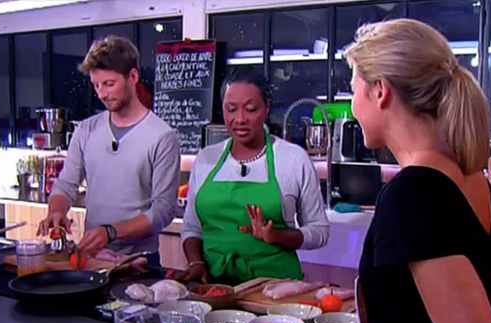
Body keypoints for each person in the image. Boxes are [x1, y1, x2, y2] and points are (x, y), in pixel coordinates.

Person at [344, 19, 491, 323]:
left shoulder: (411, 193)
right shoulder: (474, 182)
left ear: (380, 91)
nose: (353, 105)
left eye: (354, 89)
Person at [176, 68, 329, 285]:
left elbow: (320, 231)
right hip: (214, 286)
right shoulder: (206, 158)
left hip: (275, 289)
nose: (240, 119)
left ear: (266, 108)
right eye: (231, 109)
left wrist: (276, 236)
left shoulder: (293, 159)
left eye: (250, 109)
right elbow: (192, 228)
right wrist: (195, 263)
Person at [37, 35, 180, 268]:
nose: (102, 94)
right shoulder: (86, 130)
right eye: (96, 85)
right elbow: (66, 185)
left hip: (140, 260)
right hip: (92, 257)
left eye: (109, 84)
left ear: (133, 77)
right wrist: (57, 210)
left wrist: (111, 232)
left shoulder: (161, 136)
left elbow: (163, 211)